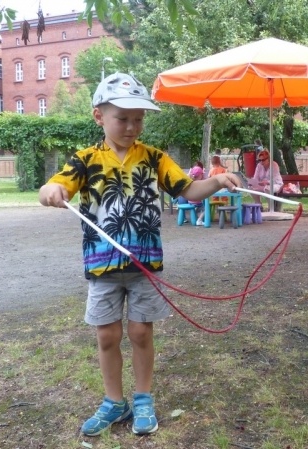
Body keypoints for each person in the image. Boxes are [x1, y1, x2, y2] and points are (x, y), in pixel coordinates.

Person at [38, 73, 242, 437]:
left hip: (145, 265)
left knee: (140, 332)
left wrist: (218, 181)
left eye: (139, 118)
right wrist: (49, 189)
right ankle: (114, 402)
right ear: (99, 115)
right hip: (101, 266)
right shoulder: (84, 160)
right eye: (123, 118)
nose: (132, 126)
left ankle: (143, 398)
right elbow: (57, 186)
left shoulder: (155, 158)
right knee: (107, 335)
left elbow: (190, 191)